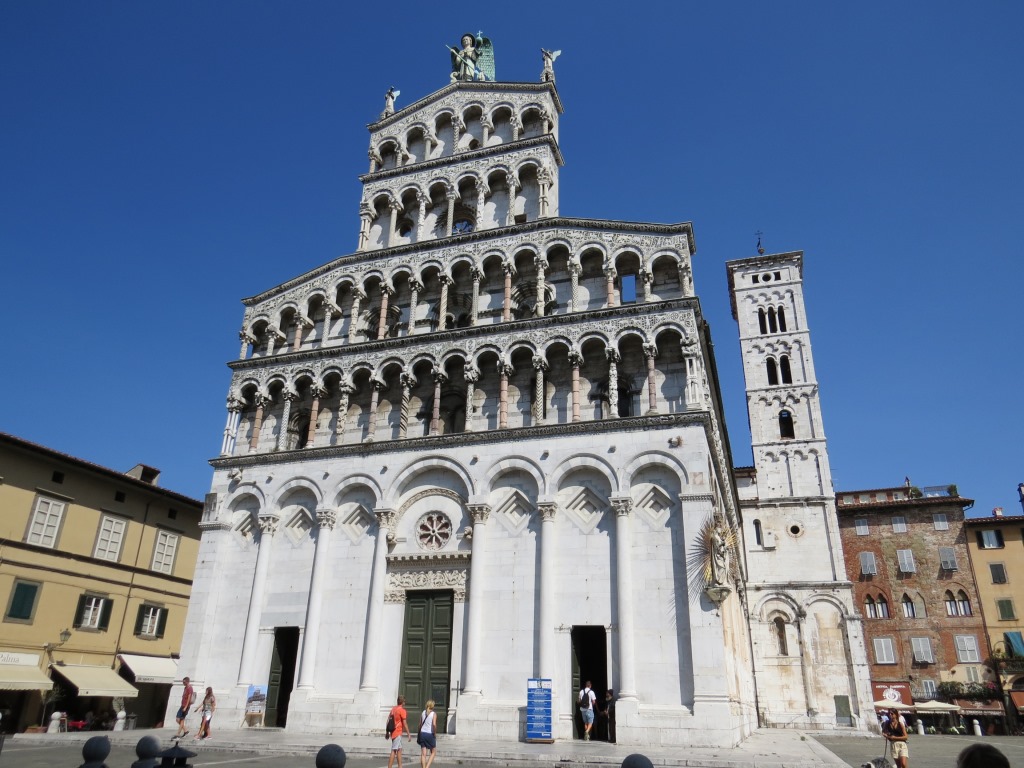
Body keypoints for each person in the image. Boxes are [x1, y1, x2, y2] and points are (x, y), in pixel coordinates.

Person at [387, 695, 410, 768]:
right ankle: (389, 767)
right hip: (397, 731)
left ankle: (400, 766)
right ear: (402, 702)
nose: (405, 703)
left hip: (393, 731)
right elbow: (405, 723)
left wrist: (387, 732)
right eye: (404, 701)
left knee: (399, 750)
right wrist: (408, 734)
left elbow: (388, 720)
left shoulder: (393, 709)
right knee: (394, 750)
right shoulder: (402, 711)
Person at [417, 699, 437, 768]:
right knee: (433, 752)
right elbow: (434, 724)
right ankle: (427, 767)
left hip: (422, 733)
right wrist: (435, 733)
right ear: (433, 706)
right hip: (429, 734)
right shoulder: (433, 714)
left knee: (423, 754)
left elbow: (419, 724)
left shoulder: (423, 712)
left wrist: (419, 732)